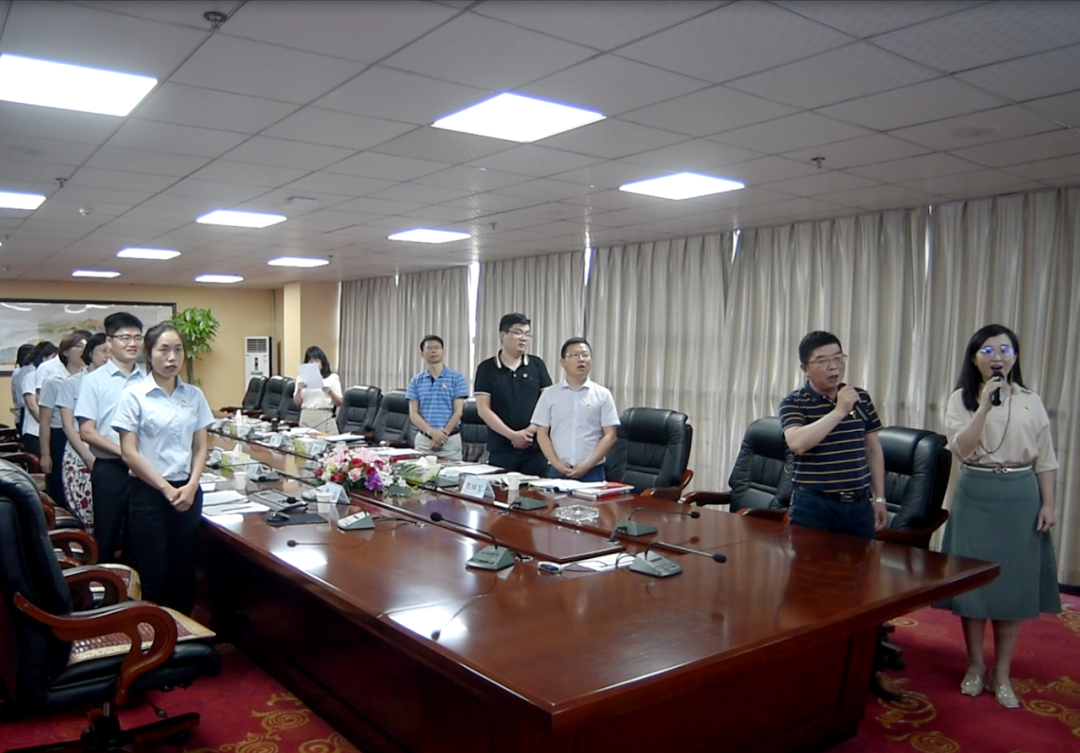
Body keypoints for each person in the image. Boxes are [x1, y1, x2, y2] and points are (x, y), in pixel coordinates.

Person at [938, 324, 1060, 709]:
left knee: (1012, 588)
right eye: (988, 350)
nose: (997, 357)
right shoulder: (960, 399)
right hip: (976, 493)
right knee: (974, 586)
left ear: (1015, 357)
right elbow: (962, 448)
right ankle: (975, 666)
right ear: (975, 358)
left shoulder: (1030, 400)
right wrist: (984, 406)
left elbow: (1045, 458)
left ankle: (1002, 673)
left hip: (1021, 495)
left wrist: (1048, 504)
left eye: (1005, 350)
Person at [778, 330, 900, 700]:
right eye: (824, 361)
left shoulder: (859, 397)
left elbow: (873, 448)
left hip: (857, 505)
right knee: (810, 588)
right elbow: (798, 442)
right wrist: (838, 411)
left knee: (864, 590)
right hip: (814, 506)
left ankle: (871, 667)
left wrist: (880, 497)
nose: (834, 367)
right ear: (805, 368)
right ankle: (816, 664)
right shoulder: (795, 402)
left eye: (838, 358)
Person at [114, 322, 213, 615]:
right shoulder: (134, 395)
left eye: (178, 350)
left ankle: (184, 630)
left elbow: (200, 447)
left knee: (185, 571)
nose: (172, 357)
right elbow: (129, 452)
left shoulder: (194, 395)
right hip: (149, 493)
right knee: (153, 571)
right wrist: (166, 489)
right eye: (164, 350)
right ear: (149, 354)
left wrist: (192, 485)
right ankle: (154, 633)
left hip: (187, 493)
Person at [76, 312, 146, 563]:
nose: (132, 343)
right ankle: (106, 583)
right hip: (111, 469)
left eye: (137, 337)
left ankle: (138, 585)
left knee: (141, 538)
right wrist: (126, 453)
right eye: (125, 337)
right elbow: (87, 431)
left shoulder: (149, 379)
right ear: (109, 341)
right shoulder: (93, 381)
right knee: (107, 536)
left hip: (146, 471)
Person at [531, 337, 619, 482]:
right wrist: (556, 463)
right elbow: (542, 433)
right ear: (562, 362)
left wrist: (587, 465)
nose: (581, 360)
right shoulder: (549, 394)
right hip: (557, 470)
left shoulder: (603, 395)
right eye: (575, 355)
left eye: (585, 355)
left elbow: (610, 435)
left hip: (592, 471)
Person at [473, 313, 552, 475]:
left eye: (527, 334)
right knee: (501, 490)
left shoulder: (537, 365)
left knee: (536, 491)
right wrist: (512, 436)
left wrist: (529, 432)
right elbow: (483, 410)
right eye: (518, 333)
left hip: (535, 448)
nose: (523, 338)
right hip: (501, 449)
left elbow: (548, 404)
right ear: (503, 335)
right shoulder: (486, 368)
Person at [57, 333, 110, 530]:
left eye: (111, 352)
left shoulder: (117, 383)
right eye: (103, 351)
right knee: (88, 513)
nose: (108, 356)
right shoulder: (72, 383)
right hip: (80, 454)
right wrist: (87, 457)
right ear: (90, 353)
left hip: (110, 455)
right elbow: (68, 425)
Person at [39, 332, 89, 508]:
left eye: (86, 346)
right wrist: (45, 454)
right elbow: (44, 420)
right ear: (65, 352)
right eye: (78, 346)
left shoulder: (89, 379)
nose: (83, 350)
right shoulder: (54, 381)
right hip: (59, 435)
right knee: (61, 487)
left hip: (83, 435)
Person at [407, 335, 469, 461]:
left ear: (443, 351)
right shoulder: (416, 381)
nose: (433, 351)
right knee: (420, 473)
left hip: (450, 441)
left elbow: (458, 412)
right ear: (422, 354)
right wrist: (432, 432)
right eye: (429, 348)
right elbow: (413, 414)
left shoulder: (457, 378)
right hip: (424, 441)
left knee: (452, 473)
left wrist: (442, 436)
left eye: (437, 347)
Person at [17, 341, 58, 457]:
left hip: (52, 431)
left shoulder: (55, 378)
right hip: (34, 432)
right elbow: (32, 405)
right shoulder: (31, 376)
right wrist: (47, 423)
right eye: (53, 358)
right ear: (44, 358)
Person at [294, 346, 343, 429]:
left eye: (316, 361)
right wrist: (299, 390)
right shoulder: (301, 378)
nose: (314, 364)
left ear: (322, 362)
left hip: (324, 415)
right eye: (311, 361)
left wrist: (331, 393)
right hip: (306, 415)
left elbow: (340, 403)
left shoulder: (332, 378)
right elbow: (297, 403)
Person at [9, 343, 33, 428]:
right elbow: (22, 399)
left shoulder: (18, 371)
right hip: (23, 414)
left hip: (21, 414)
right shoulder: (23, 372)